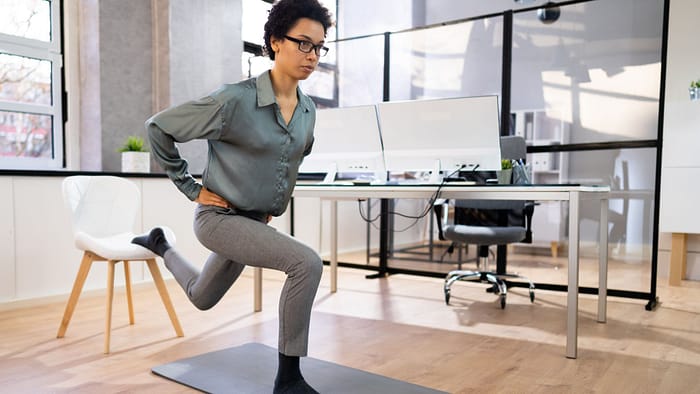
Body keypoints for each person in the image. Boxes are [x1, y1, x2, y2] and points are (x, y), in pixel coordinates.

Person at [132, 1, 333, 392]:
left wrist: (270, 202)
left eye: (320, 47)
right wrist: (192, 188)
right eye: (303, 44)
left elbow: (289, 158)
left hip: (253, 222)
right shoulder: (234, 99)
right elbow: (158, 128)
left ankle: (160, 244)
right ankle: (288, 380)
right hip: (219, 220)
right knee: (305, 264)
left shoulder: (308, 110)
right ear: (276, 41)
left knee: (202, 297)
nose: (312, 56)